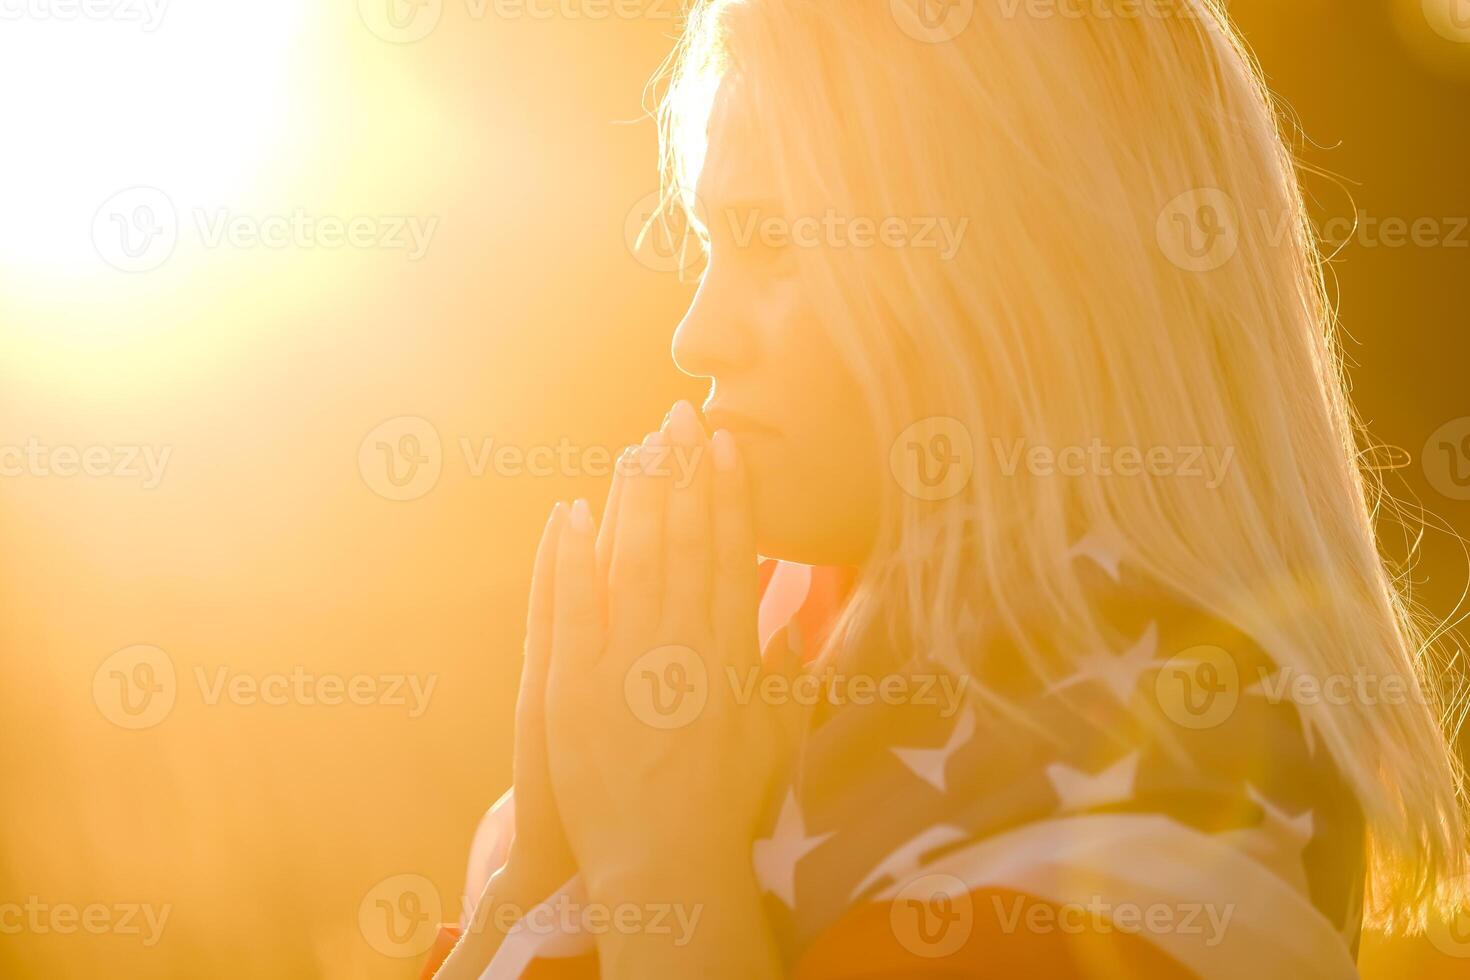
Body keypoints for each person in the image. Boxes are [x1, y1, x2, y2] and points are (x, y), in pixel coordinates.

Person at [432, 0, 1468, 975]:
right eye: (710, 245)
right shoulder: (766, 669)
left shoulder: (1172, 831)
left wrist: (662, 860)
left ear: (1026, 276)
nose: (694, 333)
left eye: (774, 240)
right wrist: (545, 853)